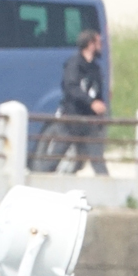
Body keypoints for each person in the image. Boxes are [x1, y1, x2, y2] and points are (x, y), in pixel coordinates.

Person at [59, 29, 110, 176]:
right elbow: (71, 87)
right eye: (98, 42)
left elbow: (97, 93)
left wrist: (99, 114)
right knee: (55, 156)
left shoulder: (95, 68)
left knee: (94, 158)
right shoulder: (74, 64)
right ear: (90, 44)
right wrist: (91, 102)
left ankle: (107, 191)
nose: (101, 46)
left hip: (89, 122)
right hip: (72, 119)